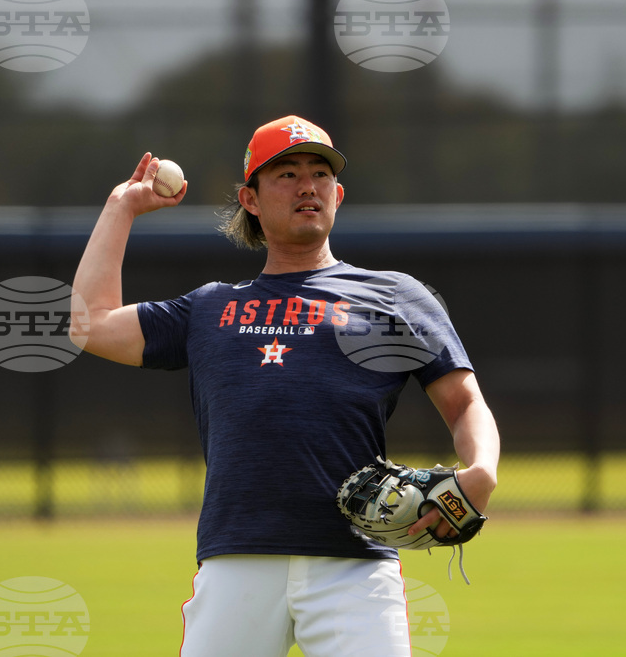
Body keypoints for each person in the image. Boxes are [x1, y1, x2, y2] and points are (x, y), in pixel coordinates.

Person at [70, 115, 500, 657]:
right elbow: (90, 325)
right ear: (250, 199)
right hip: (236, 562)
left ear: (337, 194)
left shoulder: (394, 296)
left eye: (320, 173)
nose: (307, 185)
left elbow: (464, 403)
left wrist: (482, 470)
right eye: (286, 173)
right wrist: (120, 208)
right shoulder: (209, 308)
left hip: (353, 568)